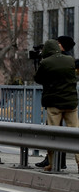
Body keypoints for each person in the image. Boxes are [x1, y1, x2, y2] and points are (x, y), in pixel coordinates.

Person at [33, 39, 79, 173]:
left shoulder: (46, 62)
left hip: (54, 104)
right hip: (71, 103)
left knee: (52, 135)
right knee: (75, 134)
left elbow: (38, 79)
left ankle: (52, 164)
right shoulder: (70, 60)